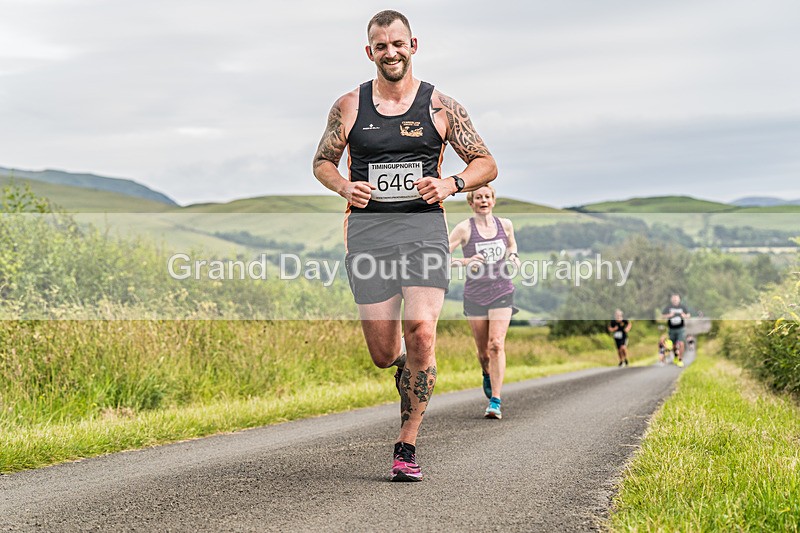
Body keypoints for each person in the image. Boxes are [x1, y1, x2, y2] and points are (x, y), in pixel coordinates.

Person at [312, 10, 497, 482]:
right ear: (369, 51)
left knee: (421, 331)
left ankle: (406, 445)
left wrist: (452, 182)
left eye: (398, 43)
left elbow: (485, 162)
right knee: (382, 351)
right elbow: (322, 162)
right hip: (369, 235)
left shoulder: (441, 107)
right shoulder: (349, 106)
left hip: (423, 232)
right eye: (381, 45)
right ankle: (409, 367)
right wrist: (342, 187)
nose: (390, 52)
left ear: (414, 45)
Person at [448, 185, 519, 420]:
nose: (483, 201)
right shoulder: (464, 228)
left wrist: (514, 256)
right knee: (483, 353)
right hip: (475, 295)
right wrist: (466, 261)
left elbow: (511, 245)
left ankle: (495, 401)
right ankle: (487, 373)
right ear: (471, 202)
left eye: (487, 197)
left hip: (501, 290)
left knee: (496, 344)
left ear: (493, 201)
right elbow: (441, 255)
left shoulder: (505, 225)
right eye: (478, 197)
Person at [662, 293, 690, 368]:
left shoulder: (682, 307)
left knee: (681, 343)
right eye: (673, 299)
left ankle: (680, 360)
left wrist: (685, 316)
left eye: (676, 299)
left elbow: (688, 315)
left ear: (679, 299)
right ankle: (675, 356)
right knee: (673, 346)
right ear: (671, 300)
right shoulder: (668, 307)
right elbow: (662, 316)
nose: (675, 300)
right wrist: (669, 315)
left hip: (680, 328)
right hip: (671, 329)